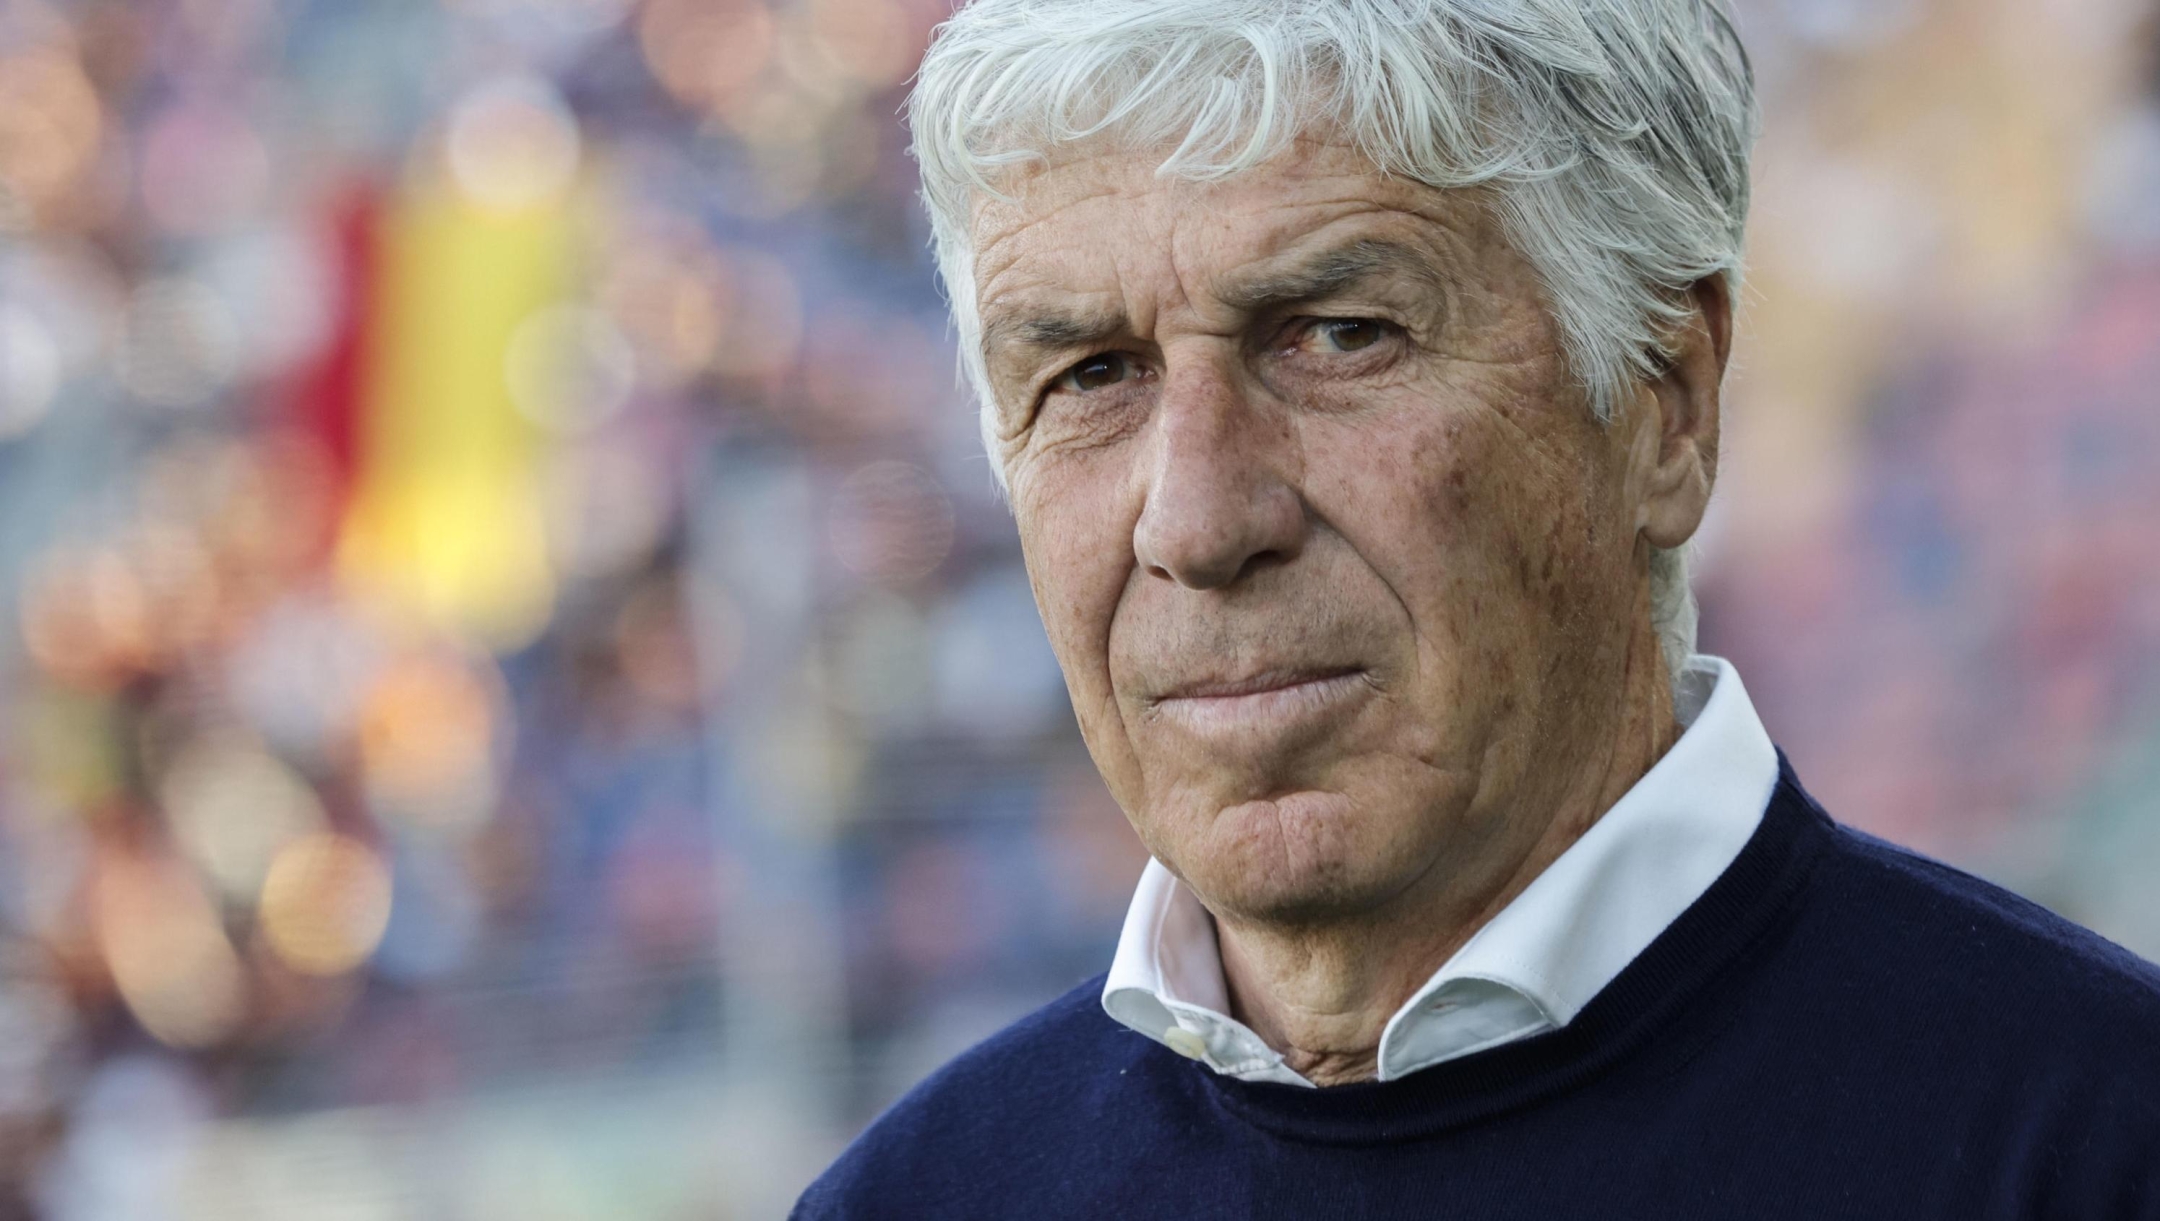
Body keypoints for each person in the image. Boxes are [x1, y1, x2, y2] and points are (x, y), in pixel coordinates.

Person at [795, 0, 2160, 1215]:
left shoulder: (2094, 1145)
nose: (1199, 519)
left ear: (1665, 407)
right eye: (1092, 373)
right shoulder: (917, 1194)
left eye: (1338, 334)